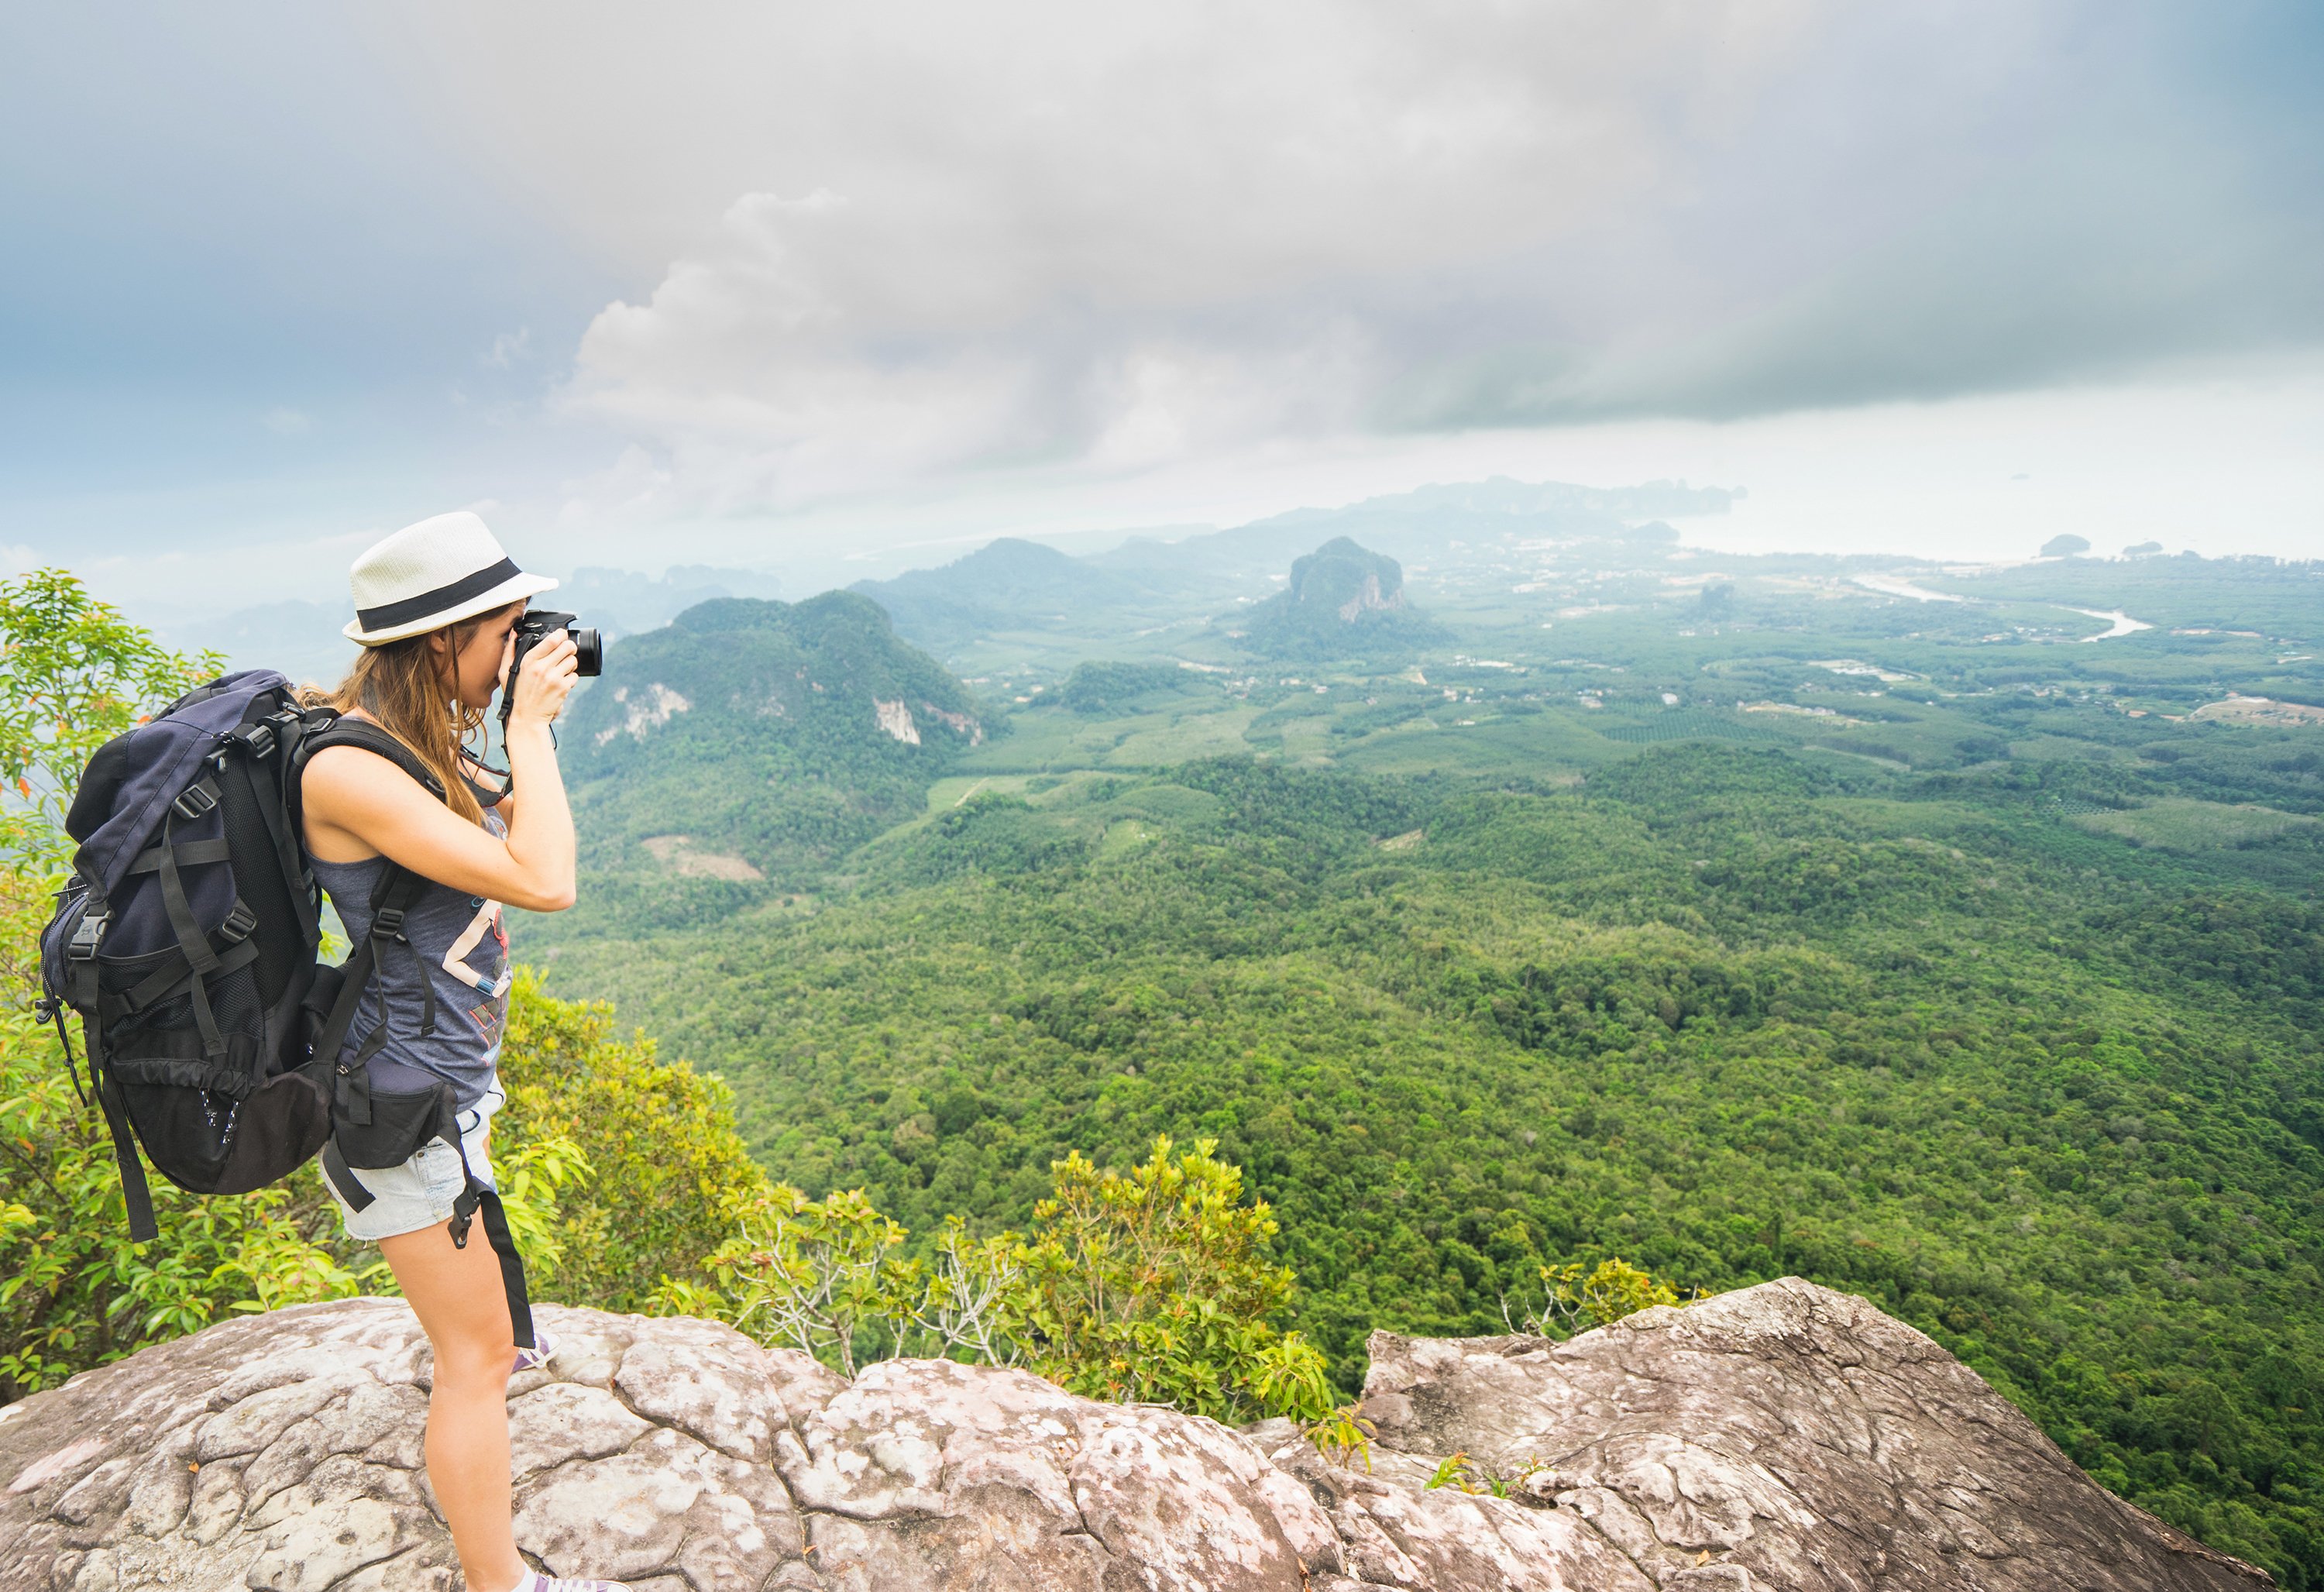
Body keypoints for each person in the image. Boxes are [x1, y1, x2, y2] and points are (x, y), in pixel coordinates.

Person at [298, 511, 625, 1592]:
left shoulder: (408, 744)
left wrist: (516, 718)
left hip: (440, 1090)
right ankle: (504, 1587)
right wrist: (526, 730)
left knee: (483, 1338)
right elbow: (546, 880)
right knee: (474, 1363)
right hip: (398, 1107)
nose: (524, 648)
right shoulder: (347, 771)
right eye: (508, 630)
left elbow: (503, 830)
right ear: (443, 639)